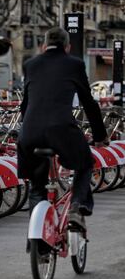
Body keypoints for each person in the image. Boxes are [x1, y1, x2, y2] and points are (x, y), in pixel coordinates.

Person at [17, 27, 108, 232]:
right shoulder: (74, 64)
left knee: (36, 185)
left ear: (43, 46)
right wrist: (100, 135)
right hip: (61, 130)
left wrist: (26, 128)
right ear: (67, 47)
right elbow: (88, 103)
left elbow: (26, 103)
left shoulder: (30, 64)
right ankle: (77, 207)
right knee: (85, 163)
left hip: (30, 133)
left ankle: (38, 239)